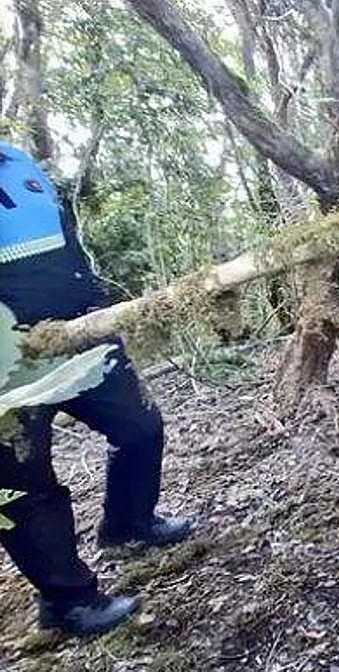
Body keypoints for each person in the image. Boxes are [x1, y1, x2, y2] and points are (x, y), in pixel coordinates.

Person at [0, 141, 194, 638]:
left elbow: (65, 239)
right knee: (26, 480)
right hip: (8, 363)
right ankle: (68, 601)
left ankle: (129, 524)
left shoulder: (19, 159)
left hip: (82, 334)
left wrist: (96, 304)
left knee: (140, 426)